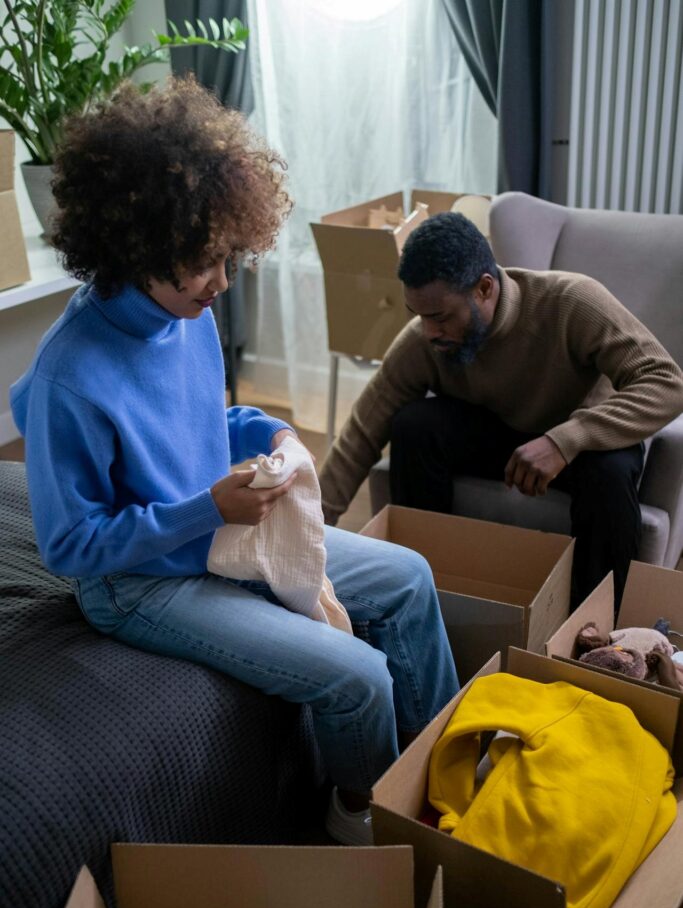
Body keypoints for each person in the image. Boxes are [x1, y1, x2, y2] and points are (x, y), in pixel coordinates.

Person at [9, 77, 458, 846]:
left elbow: (205, 421)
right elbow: (70, 547)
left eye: (229, 256)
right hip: (137, 584)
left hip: (214, 531)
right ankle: (370, 835)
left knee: (409, 577)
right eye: (204, 262)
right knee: (357, 681)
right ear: (135, 246)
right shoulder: (69, 376)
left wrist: (272, 434)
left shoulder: (185, 313)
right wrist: (204, 511)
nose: (222, 282)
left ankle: (442, 780)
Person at [319, 212, 683, 612]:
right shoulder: (425, 341)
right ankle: (426, 591)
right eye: (418, 315)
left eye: (439, 316)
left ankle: (594, 625)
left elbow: (667, 382)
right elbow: (361, 432)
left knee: (611, 469)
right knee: (413, 426)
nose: (428, 331)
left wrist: (566, 440)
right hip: (499, 437)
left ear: (484, 289)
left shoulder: (573, 302)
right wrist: (314, 527)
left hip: (580, 444)